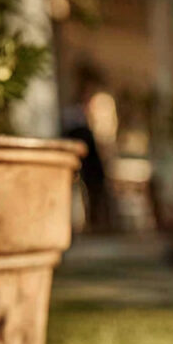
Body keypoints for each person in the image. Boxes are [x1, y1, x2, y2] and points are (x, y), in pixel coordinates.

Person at [62, 68, 114, 233]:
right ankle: (87, 223)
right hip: (80, 161)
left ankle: (99, 222)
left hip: (92, 162)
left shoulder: (90, 116)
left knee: (97, 191)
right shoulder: (73, 115)